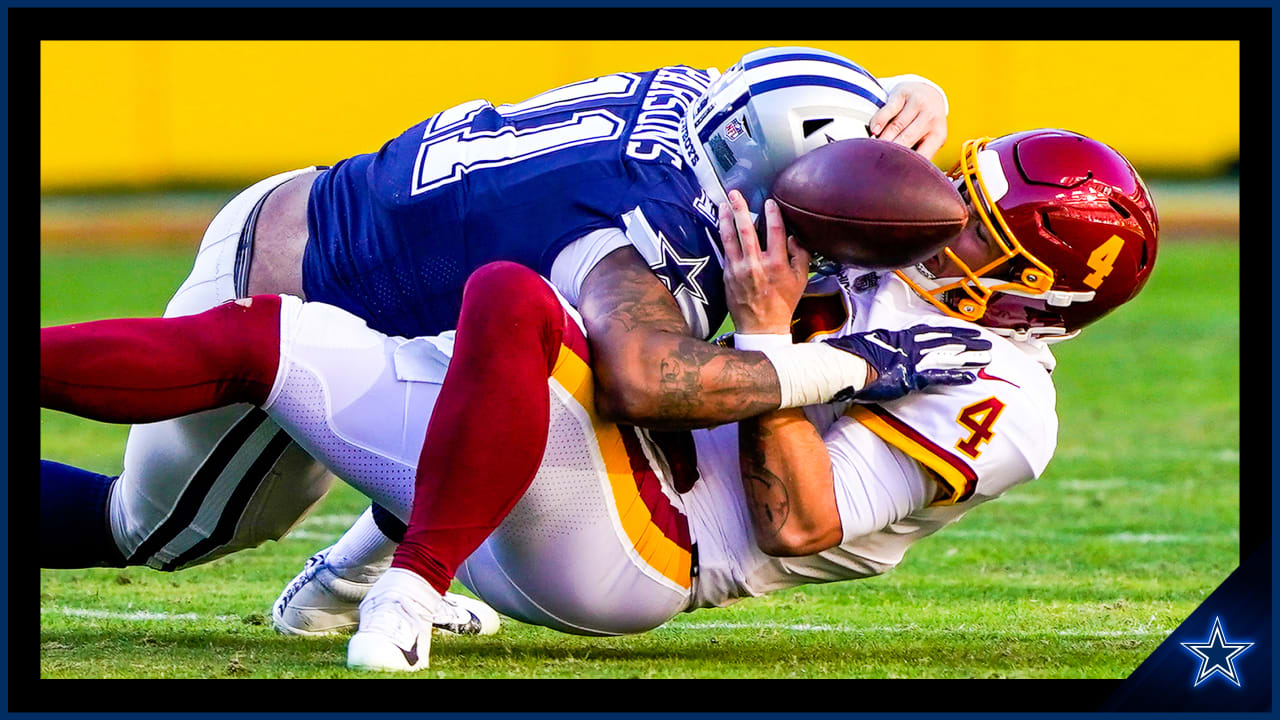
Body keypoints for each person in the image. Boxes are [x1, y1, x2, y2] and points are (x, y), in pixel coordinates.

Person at [42, 129, 1160, 672]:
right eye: (954, 191)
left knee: (518, 310)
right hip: (557, 467)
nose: (935, 217)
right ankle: (343, 584)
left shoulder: (1003, 395)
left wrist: (770, 338)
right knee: (260, 339)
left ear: (1032, 290)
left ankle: (402, 593)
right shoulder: (889, 262)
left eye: (972, 225)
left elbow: (799, 521)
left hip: (636, 554)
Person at [40, 46, 951, 581]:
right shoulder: (649, 233)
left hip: (318, 210)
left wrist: (919, 95)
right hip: (299, 286)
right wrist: (842, 365)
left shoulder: (698, 97)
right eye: (832, 206)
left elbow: (792, 96)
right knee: (151, 532)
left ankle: (353, 582)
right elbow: (645, 381)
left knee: (512, 390)